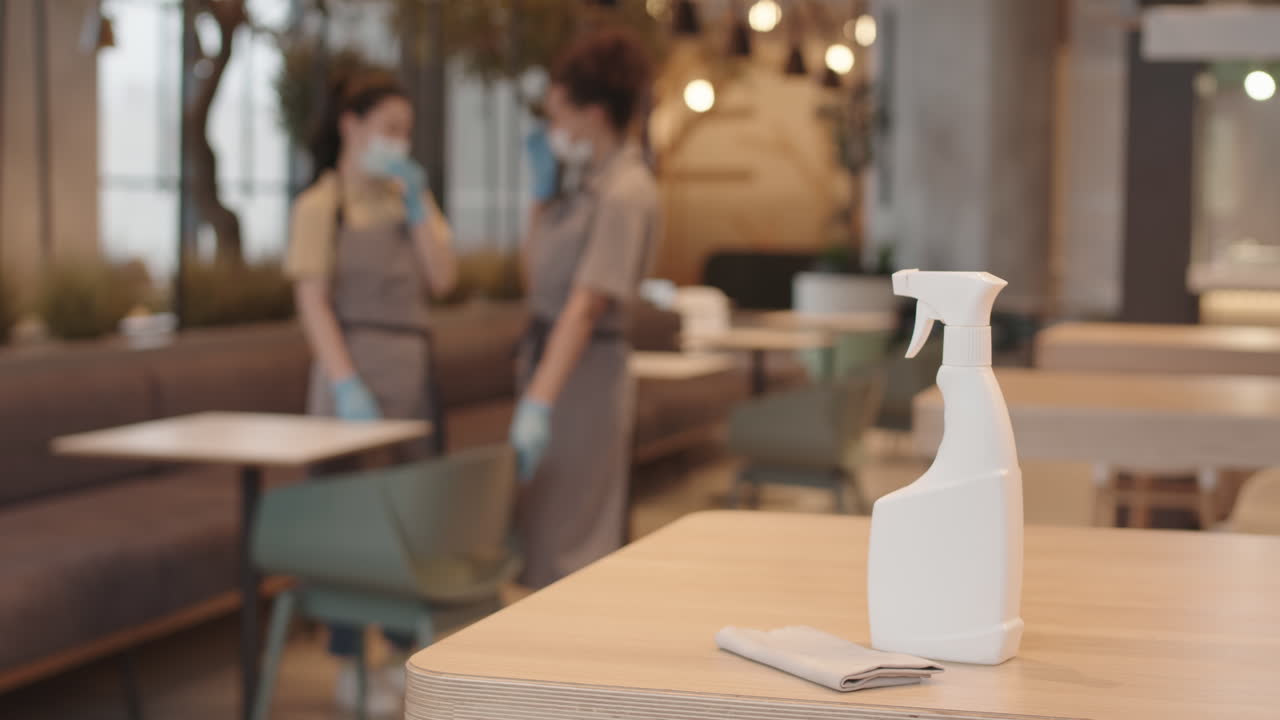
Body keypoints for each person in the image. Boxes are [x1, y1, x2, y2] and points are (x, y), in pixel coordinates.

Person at [285, 68, 456, 716]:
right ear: (350, 126)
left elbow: (443, 279)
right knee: (348, 520)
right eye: (388, 128)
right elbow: (312, 302)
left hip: (411, 375)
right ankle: (350, 659)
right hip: (348, 374)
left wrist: (419, 207)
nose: (398, 142)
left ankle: (407, 654)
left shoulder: (407, 200)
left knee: (408, 517)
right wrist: (347, 383)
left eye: (406, 132)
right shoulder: (319, 207)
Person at [510, 29, 660, 589]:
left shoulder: (627, 190)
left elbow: (586, 306)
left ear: (593, 112)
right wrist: (539, 195)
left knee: (577, 538)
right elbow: (535, 281)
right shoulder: (581, 187)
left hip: (584, 376)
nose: (554, 131)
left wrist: (538, 404)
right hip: (549, 363)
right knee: (543, 533)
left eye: (559, 115)